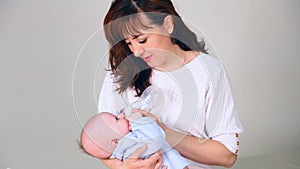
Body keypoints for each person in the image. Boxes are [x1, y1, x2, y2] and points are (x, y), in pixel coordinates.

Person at [98, 0, 244, 168]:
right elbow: (102, 142)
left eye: (142, 39)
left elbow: (227, 155)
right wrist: (124, 166)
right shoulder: (122, 69)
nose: (136, 52)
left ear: (168, 25)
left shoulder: (208, 71)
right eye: (128, 43)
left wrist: (162, 132)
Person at [80, 86, 190, 169]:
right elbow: (155, 139)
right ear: (115, 141)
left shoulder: (121, 150)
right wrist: (138, 120)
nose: (121, 115)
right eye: (117, 119)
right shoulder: (129, 144)